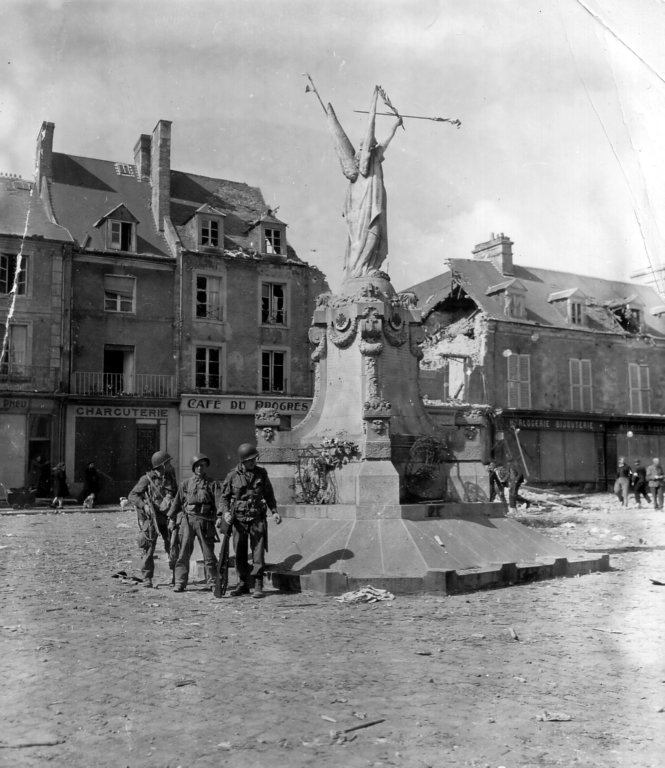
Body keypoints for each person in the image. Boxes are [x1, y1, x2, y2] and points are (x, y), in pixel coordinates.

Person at [324, 85, 403, 279]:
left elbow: (385, 142)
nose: (371, 145)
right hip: (364, 208)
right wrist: (373, 104)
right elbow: (370, 129)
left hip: (371, 205)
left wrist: (395, 125)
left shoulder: (375, 156)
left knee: (371, 237)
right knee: (367, 236)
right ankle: (361, 270)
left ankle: (365, 269)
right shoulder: (363, 165)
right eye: (368, 145)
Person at [218, 443, 282, 599]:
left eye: (254, 459)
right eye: (250, 460)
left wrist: (274, 511)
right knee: (240, 552)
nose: (253, 462)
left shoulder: (261, 473)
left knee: (258, 552)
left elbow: (269, 494)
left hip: (257, 518)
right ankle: (243, 584)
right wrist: (225, 513)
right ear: (242, 461)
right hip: (238, 520)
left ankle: (258, 584)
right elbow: (224, 498)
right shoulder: (232, 476)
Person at [168, 454, 218, 593]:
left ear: (206, 466)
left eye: (202, 465)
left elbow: (219, 503)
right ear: (193, 468)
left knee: (209, 555)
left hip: (205, 521)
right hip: (187, 521)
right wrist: (172, 519)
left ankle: (213, 582)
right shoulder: (185, 484)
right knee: (183, 553)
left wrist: (220, 517)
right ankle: (180, 582)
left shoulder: (212, 484)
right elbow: (177, 502)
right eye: (197, 465)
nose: (200, 468)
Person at [128, 451, 177, 589]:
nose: (170, 465)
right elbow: (132, 495)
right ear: (161, 465)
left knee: (173, 546)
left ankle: (176, 576)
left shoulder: (170, 477)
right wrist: (144, 506)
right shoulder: (147, 479)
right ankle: (147, 578)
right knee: (148, 548)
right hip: (152, 518)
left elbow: (176, 494)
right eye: (168, 463)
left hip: (167, 517)